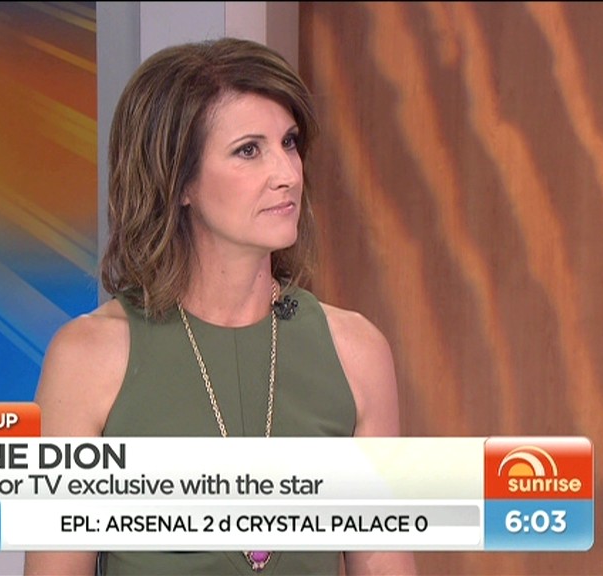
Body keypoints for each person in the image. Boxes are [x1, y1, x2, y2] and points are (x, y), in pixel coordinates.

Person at [24, 37, 417, 576]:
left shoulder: (356, 352)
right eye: (249, 150)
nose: (287, 173)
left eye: (289, 143)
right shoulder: (89, 359)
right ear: (180, 181)